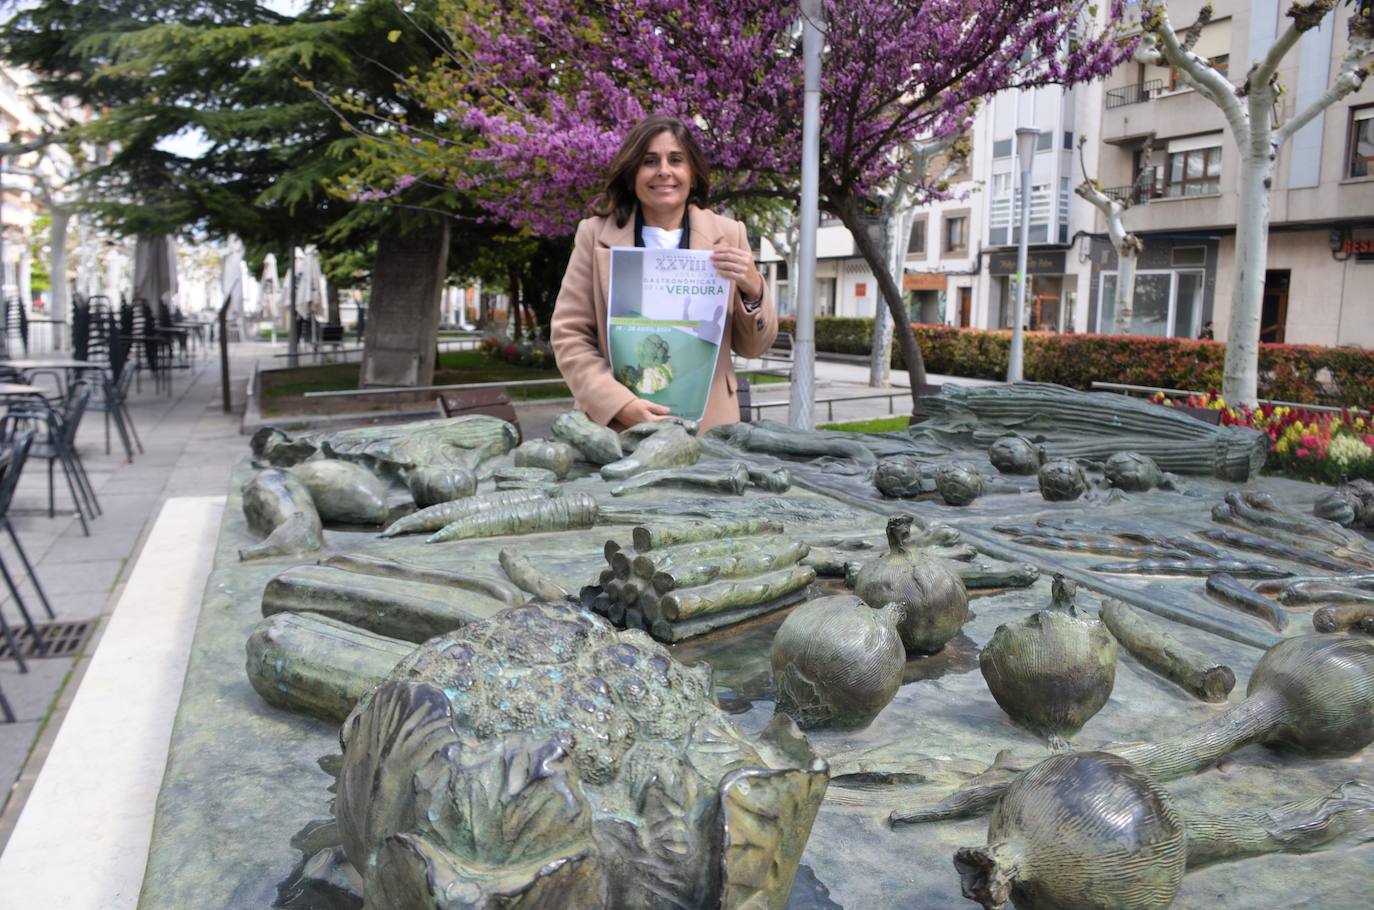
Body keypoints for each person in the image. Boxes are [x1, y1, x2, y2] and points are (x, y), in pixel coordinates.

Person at [551, 114, 777, 431]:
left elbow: (754, 347)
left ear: (693, 174)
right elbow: (569, 335)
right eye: (649, 161)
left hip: (710, 428)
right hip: (619, 428)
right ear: (632, 175)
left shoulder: (729, 234)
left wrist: (753, 289)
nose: (664, 171)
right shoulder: (593, 235)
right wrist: (619, 404)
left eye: (676, 160)